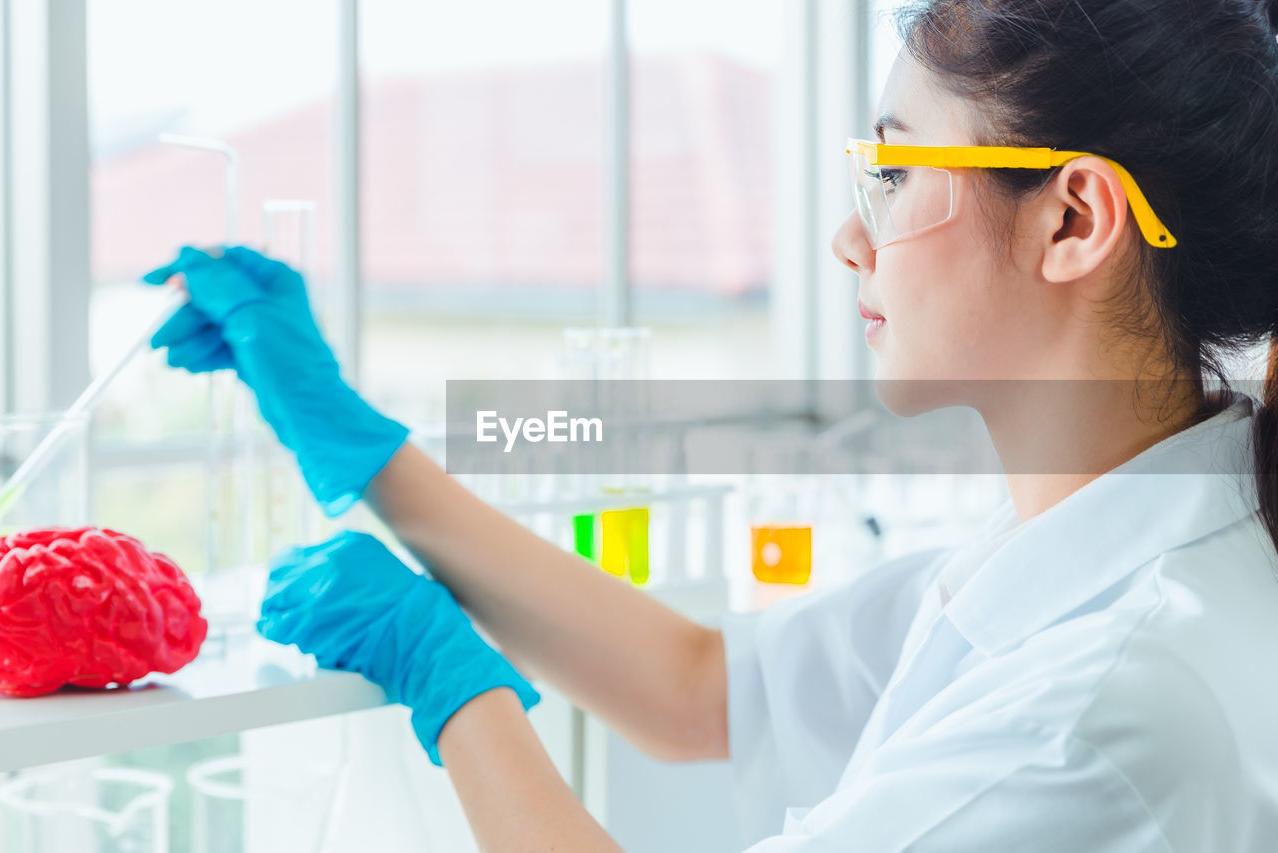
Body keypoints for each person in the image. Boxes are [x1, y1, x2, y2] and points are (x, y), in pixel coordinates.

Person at [143, 0, 1278, 849]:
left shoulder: (1094, 717)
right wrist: (359, 447)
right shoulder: (1119, 537)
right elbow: (699, 689)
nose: (849, 235)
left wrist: (453, 686)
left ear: (1072, 217)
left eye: (891, 169)